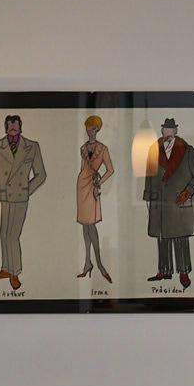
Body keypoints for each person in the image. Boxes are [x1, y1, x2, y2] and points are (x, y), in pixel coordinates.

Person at [0, 114, 46, 291]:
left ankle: (15, 272)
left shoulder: (32, 146)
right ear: (5, 127)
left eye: (15, 125)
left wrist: (26, 191)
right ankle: (5, 268)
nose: (12, 128)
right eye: (9, 125)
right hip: (5, 198)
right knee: (3, 233)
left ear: (20, 126)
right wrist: (0, 193)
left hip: (20, 198)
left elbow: (41, 175)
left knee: (12, 235)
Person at [143, 118, 194, 287]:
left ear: (176, 131)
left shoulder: (188, 151)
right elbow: (149, 174)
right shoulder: (153, 150)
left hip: (179, 202)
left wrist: (187, 192)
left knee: (180, 238)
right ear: (162, 131)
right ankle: (164, 271)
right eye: (165, 129)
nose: (168, 132)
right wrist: (149, 196)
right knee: (162, 237)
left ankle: (184, 272)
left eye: (171, 129)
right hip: (160, 202)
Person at [75, 116, 115, 284]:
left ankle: (99, 264)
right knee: (85, 226)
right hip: (81, 186)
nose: (89, 130)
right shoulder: (83, 148)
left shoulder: (103, 149)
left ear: (97, 129)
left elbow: (110, 170)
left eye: (92, 127)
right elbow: (82, 168)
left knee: (91, 225)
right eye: (87, 127)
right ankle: (87, 263)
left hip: (92, 186)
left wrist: (99, 182)